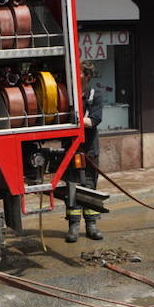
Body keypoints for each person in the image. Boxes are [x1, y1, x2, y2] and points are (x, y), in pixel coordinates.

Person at [66, 60, 104, 242]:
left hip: (89, 150)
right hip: (72, 149)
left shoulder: (95, 95)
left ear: (87, 76)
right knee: (72, 187)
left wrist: (77, 119)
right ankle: (73, 226)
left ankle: (91, 225)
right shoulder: (69, 94)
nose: (76, 75)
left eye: (79, 72)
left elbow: (94, 120)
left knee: (90, 187)